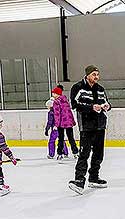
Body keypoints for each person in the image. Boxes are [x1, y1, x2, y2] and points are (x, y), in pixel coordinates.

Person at [68, 65, 112, 194]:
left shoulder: (100, 89)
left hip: (100, 125)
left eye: (98, 74)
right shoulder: (78, 87)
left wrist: (107, 106)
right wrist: (91, 107)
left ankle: (94, 177)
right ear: (87, 75)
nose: (97, 77)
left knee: (99, 153)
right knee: (84, 153)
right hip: (86, 126)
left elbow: (107, 103)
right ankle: (79, 180)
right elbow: (75, 104)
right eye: (94, 74)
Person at [52, 86, 79, 161]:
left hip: (61, 123)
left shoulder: (56, 102)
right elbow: (69, 112)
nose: (53, 95)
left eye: (54, 93)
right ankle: (75, 152)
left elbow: (57, 114)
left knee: (61, 138)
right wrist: (72, 121)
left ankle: (60, 153)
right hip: (68, 122)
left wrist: (56, 124)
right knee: (71, 138)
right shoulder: (65, 100)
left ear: (57, 94)